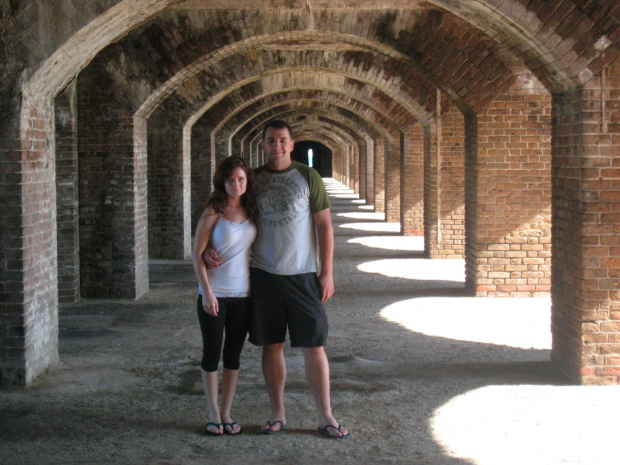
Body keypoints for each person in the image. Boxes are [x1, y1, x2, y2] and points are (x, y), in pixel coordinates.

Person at [205, 120, 350, 439]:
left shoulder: (308, 176)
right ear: (264, 145)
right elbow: (227, 214)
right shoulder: (253, 179)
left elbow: (324, 226)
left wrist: (326, 271)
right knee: (271, 346)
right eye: (271, 141)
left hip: (302, 275)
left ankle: (326, 415)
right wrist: (205, 249)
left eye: (282, 140)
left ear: (292, 144)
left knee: (314, 345)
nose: (277, 146)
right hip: (263, 276)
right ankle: (277, 413)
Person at [192, 155, 258, 437]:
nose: (236, 184)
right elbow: (197, 253)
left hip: (243, 293)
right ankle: (213, 413)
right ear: (223, 181)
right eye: (231, 179)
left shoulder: (252, 211)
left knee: (233, 355)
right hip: (215, 293)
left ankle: (228, 412)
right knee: (211, 353)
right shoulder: (213, 212)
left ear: (247, 182)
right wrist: (206, 292)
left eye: (241, 179)